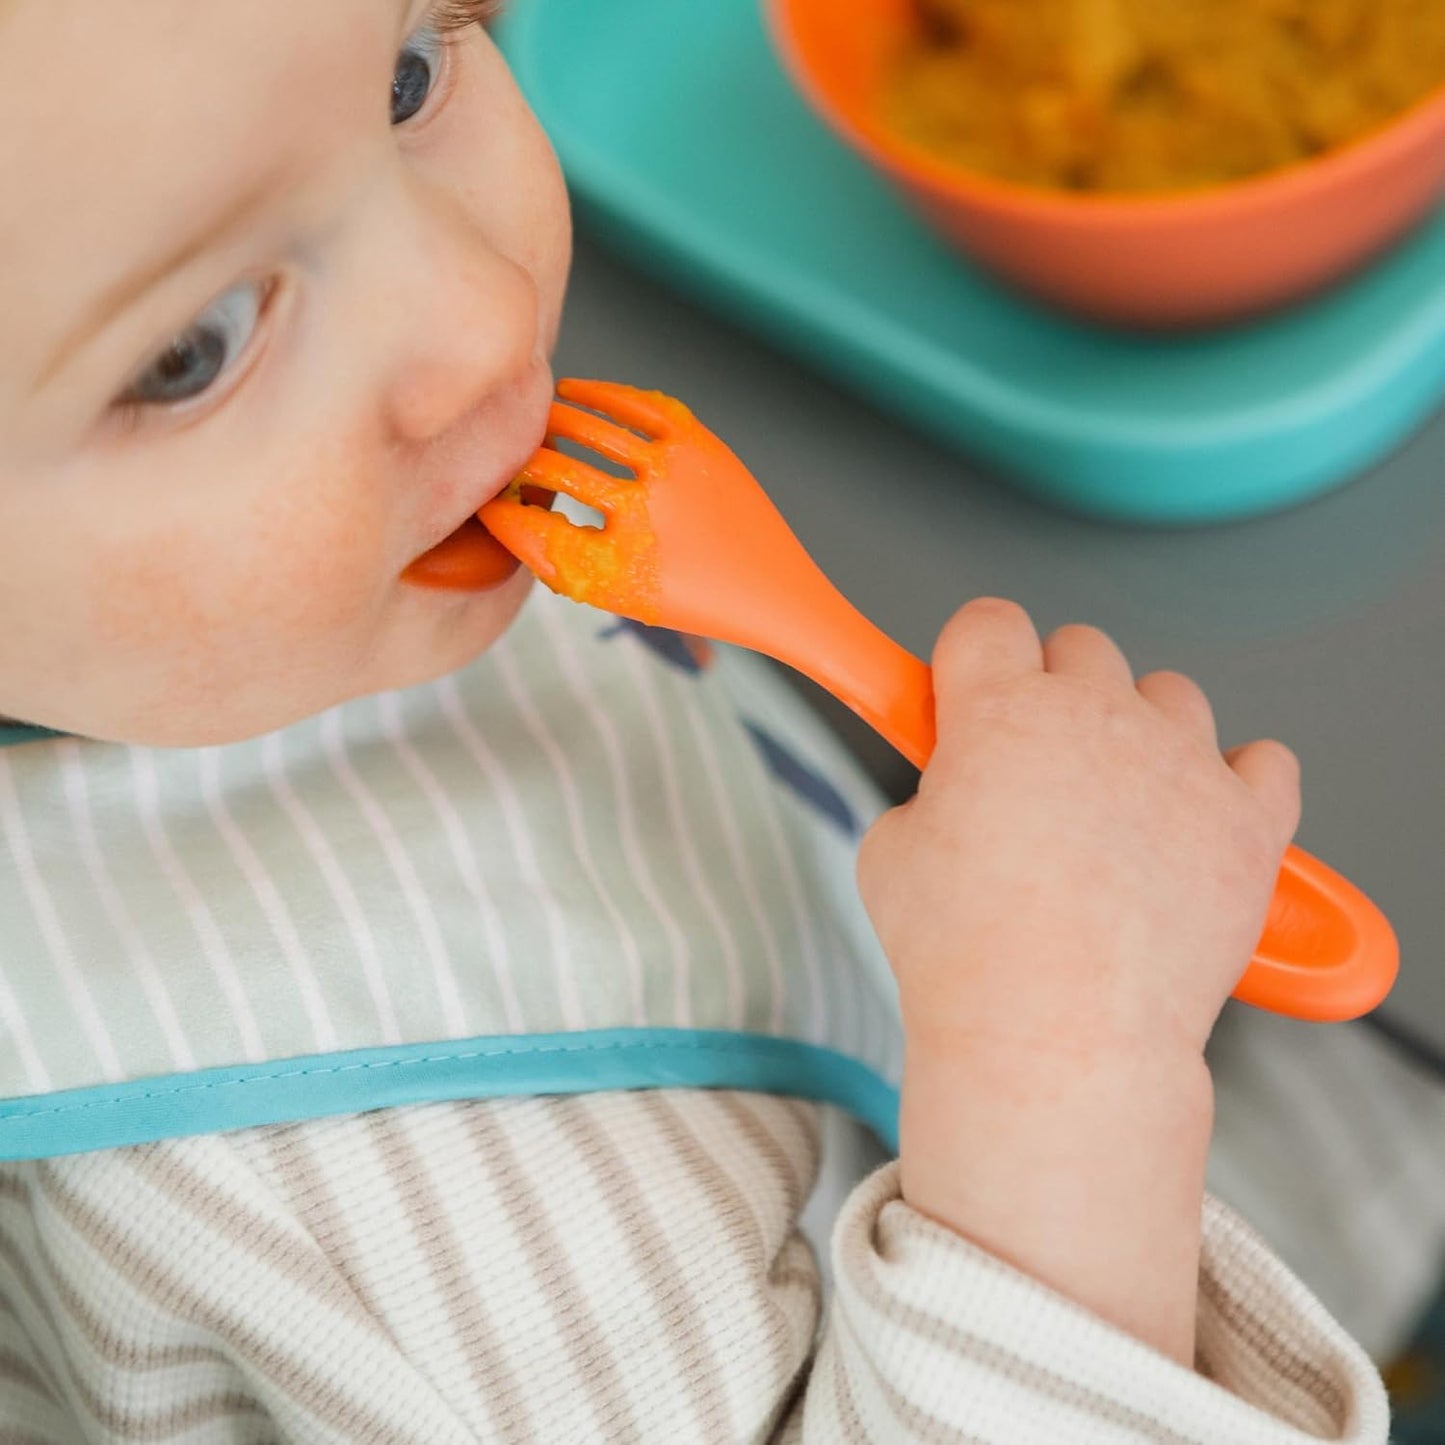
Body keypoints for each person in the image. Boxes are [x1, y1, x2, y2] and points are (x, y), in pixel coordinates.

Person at [0, 1, 1388, 1439]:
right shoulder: (379, 1216)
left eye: (410, 73)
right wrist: (1066, 1066)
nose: (479, 322)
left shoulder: (184, 612)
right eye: (194, 352)